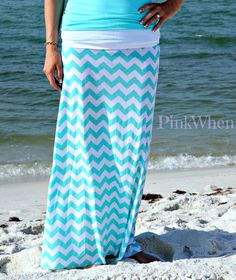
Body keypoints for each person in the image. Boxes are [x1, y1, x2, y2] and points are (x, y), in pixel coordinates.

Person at [41, 0, 185, 270]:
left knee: (130, 149)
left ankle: (120, 243)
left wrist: (173, 5)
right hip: (83, 41)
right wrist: (51, 46)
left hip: (139, 41)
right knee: (80, 147)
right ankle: (72, 246)